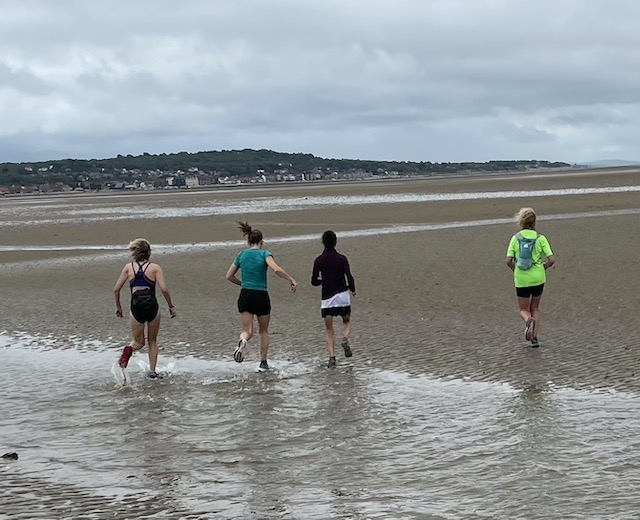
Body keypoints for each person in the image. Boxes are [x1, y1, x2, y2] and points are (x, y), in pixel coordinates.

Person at [226, 222, 297, 371]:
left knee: (247, 330)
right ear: (261, 242)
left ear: (248, 241)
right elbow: (276, 269)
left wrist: (243, 284)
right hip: (261, 295)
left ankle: (243, 340)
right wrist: (290, 279)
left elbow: (229, 276)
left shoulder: (241, 255)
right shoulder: (265, 254)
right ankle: (263, 363)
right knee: (263, 331)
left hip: (245, 294)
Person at [114, 238, 177, 377]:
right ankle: (153, 372)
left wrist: (119, 308)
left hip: (136, 308)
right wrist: (171, 306)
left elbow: (116, 289)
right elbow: (164, 289)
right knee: (152, 341)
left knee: (138, 341)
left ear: (135, 252)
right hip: (152, 307)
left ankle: (128, 350)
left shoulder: (128, 268)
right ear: (148, 252)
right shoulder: (155, 268)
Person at [506, 208, 555, 348]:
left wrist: (516, 271)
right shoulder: (541, 238)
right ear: (534, 222)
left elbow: (508, 260)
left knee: (523, 309)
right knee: (535, 307)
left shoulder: (515, 238)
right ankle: (534, 339)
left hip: (521, 279)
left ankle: (528, 320)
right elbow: (551, 260)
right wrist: (543, 267)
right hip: (538, 277)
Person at [311, 230, 356, 367]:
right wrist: (352, 289)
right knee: (347, 321)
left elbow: (313, 281)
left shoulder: (318, 260)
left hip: (327, 298)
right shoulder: (342, 259)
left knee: (329, 330)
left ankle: (332, 357)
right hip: (342, 295)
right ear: (335, 242)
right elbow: (349, 276)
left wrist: (322, 282)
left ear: (323, 242)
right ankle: (345, 338)